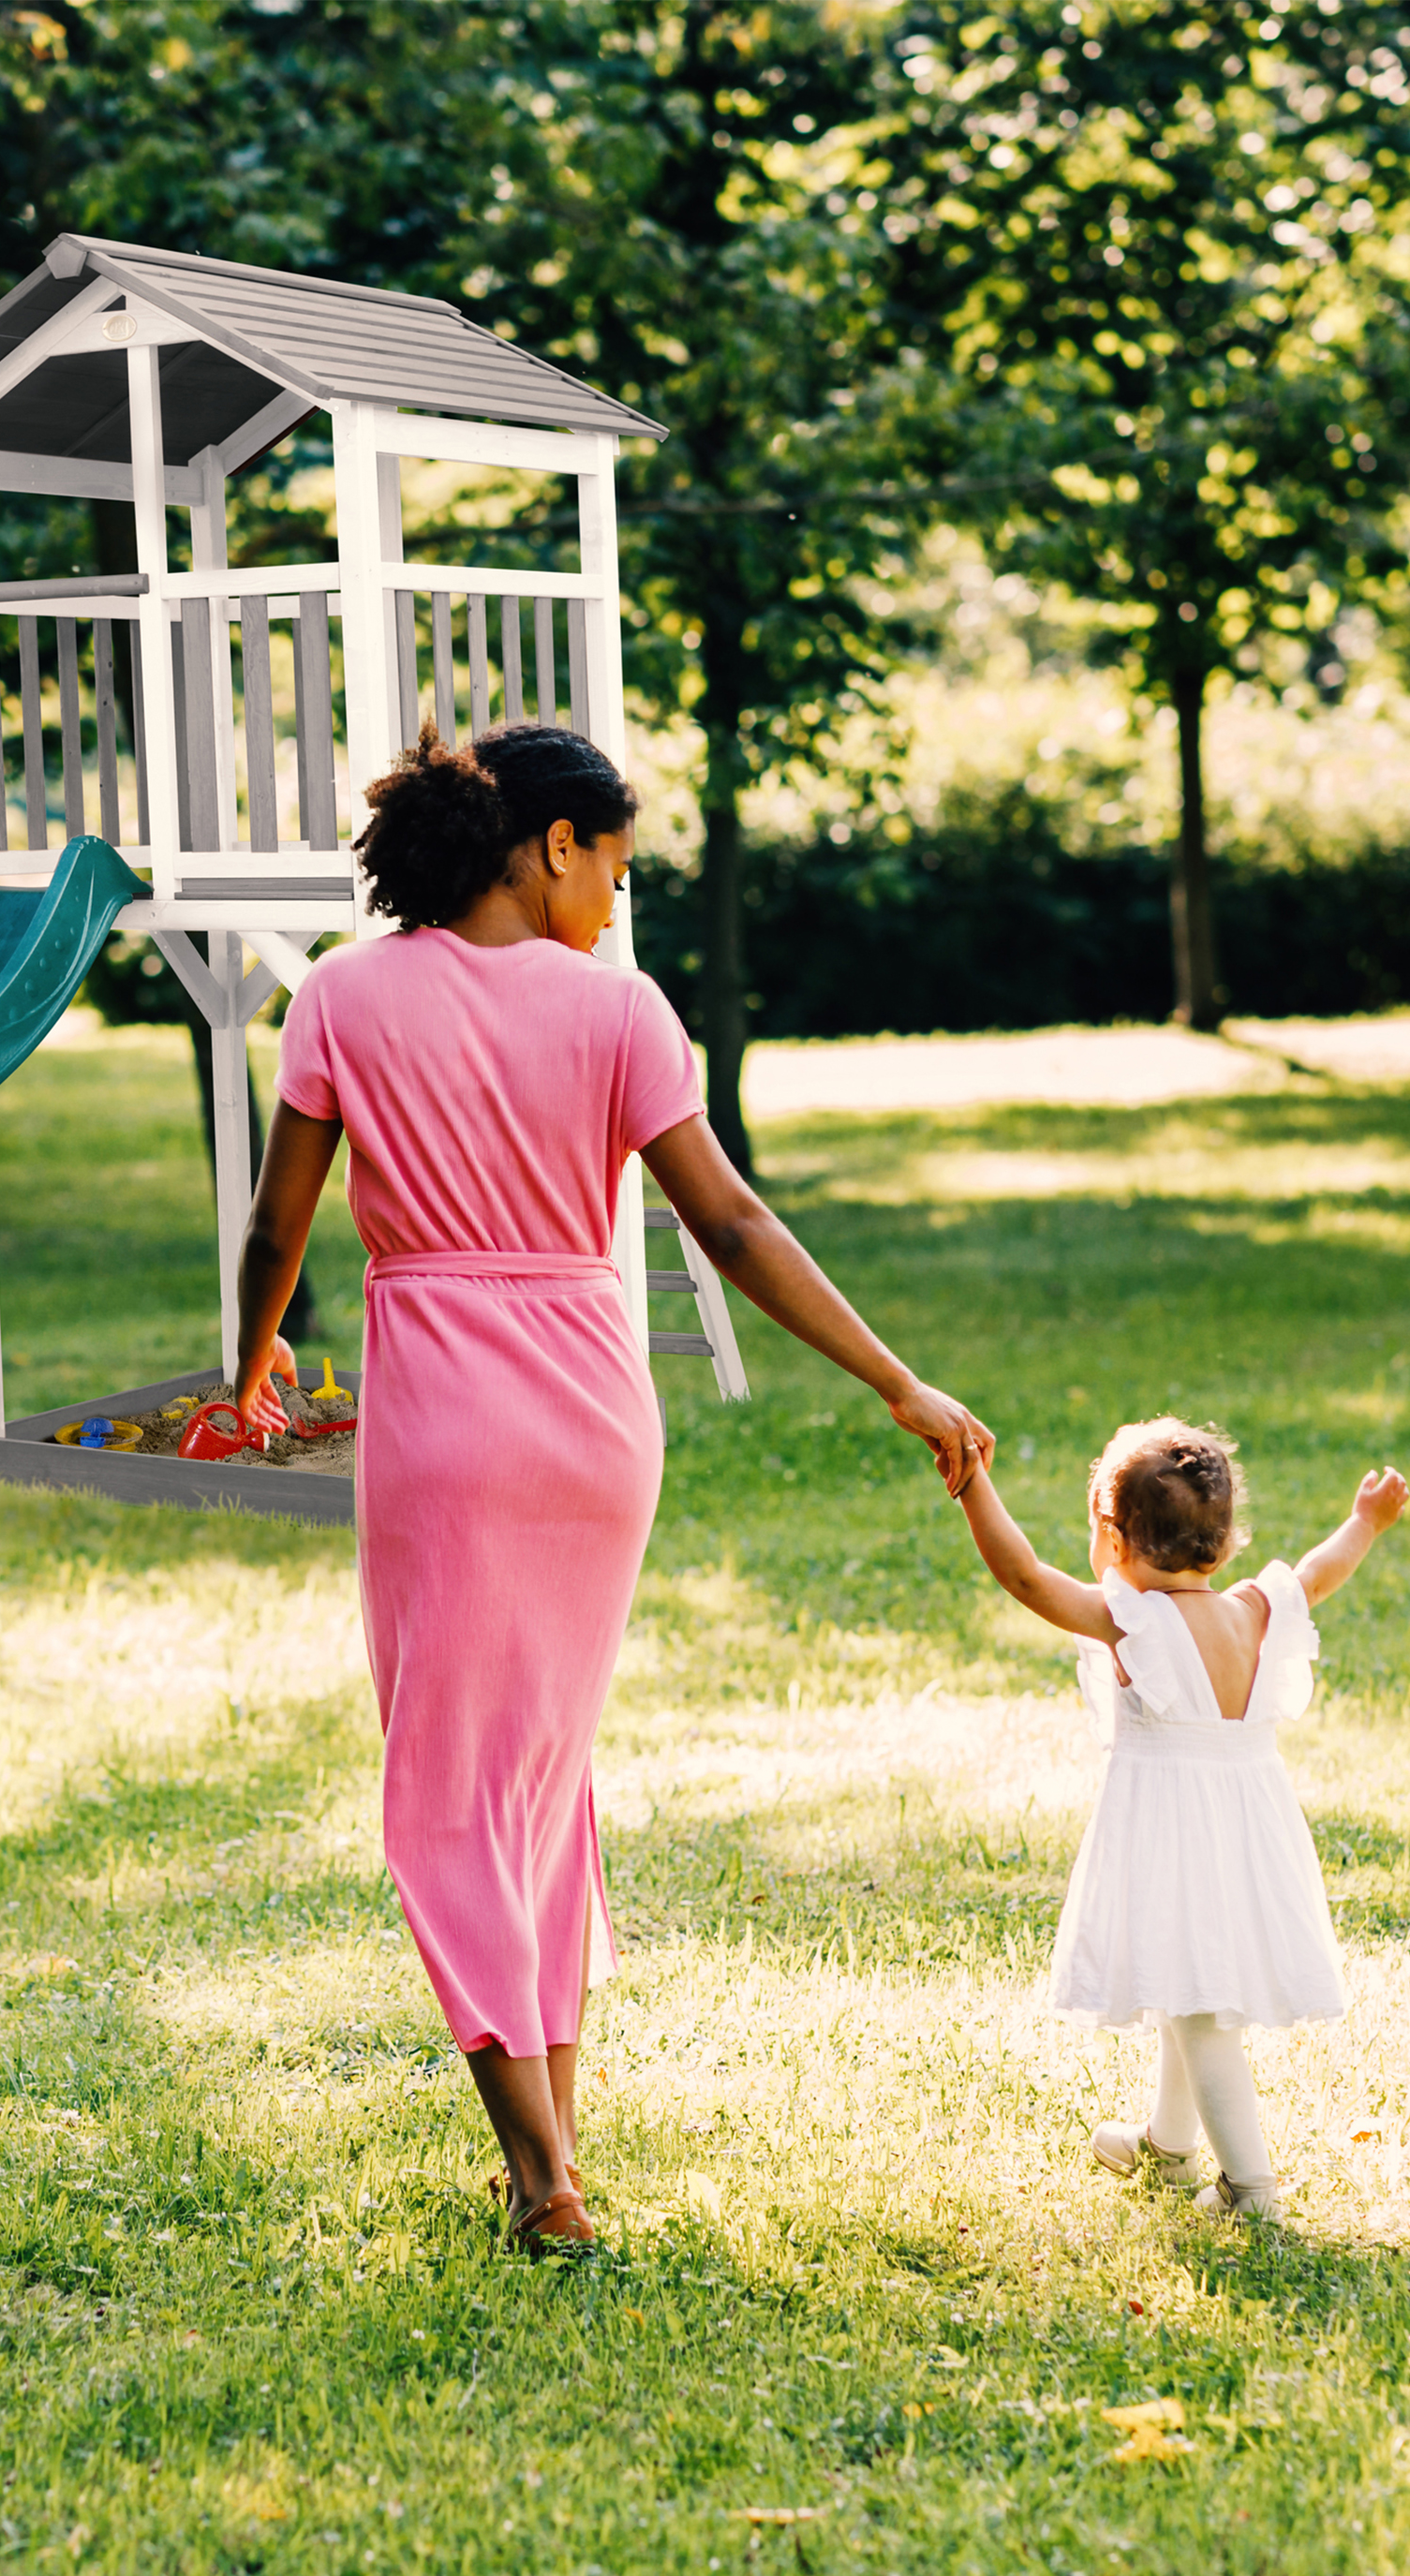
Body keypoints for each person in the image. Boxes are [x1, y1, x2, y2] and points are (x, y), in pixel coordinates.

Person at [227, 723, 993, 2255]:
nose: (617, 903)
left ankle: (542, 2179)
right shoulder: (621, 1013)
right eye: (617, 868)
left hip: (442, 1419)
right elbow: (732, 1225)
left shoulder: (341, 996)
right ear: (552, 845)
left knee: (449, 1793)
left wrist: (247, 1368)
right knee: (540, 1783)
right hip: (593, 1420)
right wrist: (896, 1378)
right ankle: (557, 2146)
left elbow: (277, 1228)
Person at [949, 1419, 1410, 2221]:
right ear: (1225, 1543)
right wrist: (1365, 1522)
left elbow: (1024, 1577)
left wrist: (972, 1483)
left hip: (1174, 1836)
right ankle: (1167, 2145)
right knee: (1183, 1982)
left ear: (1114, 1538)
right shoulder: (1256, 1610)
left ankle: (1250, 2189)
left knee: (1199, 2013)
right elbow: (1318, 1570)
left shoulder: (1133, 1623)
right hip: (1247, 1832)